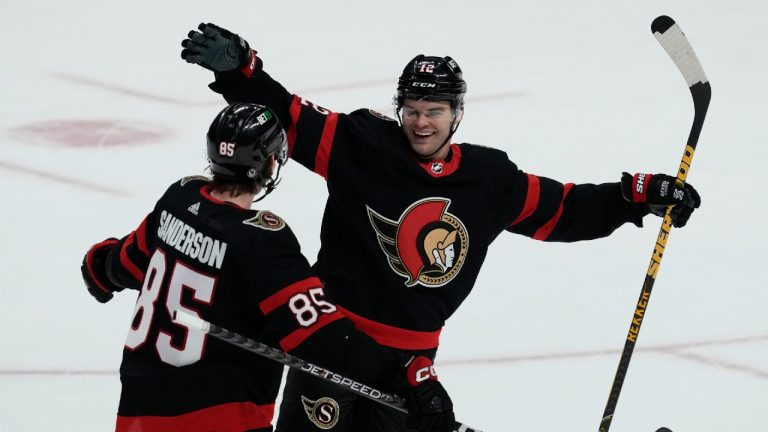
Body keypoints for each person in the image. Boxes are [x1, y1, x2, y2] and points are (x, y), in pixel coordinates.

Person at [180, 23, 702, 432]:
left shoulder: (488, 179)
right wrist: (240, 72)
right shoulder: (360, 144)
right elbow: (289, 115)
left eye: (434, 111)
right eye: (411, 110)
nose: (421, 122)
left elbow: (563, 210)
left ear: (457, 113)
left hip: (410, 367)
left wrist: (638, 194)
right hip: (329, 346)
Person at [80, 103, 455, 432]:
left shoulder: (180, 196)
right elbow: (321, 338)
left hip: (137, 410)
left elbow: (128, 260)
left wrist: (99, 268)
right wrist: (408, 375)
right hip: (219, 417)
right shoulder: (260, 239)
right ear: (271, 162)